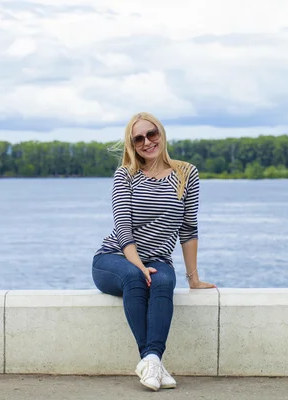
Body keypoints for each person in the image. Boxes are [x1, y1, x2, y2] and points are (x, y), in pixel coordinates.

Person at [91, 111, 216, 392]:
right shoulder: (126, 175)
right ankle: (153, 361)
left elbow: (188, 228)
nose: (147, 142)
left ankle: (151, 360)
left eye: (152, 134)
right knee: (137, 278)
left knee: (163, 281)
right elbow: (122, 227)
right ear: (132, 145)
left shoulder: (186, 173)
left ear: (161, 133)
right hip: (114, 258)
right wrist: (138, 264)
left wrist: (193, 278)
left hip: (158, 259)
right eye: (138, 139)